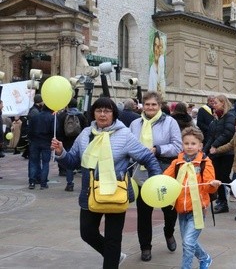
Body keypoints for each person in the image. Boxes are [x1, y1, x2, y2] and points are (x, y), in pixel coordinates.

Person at [50, 97, 162, 269]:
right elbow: (72, 162)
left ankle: (111, 260)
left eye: (107, 111)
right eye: (99, 110)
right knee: (87, 233)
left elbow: (147, 157)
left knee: (113, 239)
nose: (103, 114)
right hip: (90, 193)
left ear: (113, 114)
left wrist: (156, 179)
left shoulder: (124, 134)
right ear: (93, 113)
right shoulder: (85, 134)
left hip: (115, 193)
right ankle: (115, 256)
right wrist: (61, 152)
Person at [129, 91, 182, 262]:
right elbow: (128, 145)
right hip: (141, 174)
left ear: (160, 106)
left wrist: (157, 149)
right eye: (147, 104)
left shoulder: (170, 122)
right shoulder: (135, 124)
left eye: (154, 104)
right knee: (144, 214)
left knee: (169, 210)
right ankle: (145, 247)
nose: (150, 107)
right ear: (142, 106)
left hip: (164, 172)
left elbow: (177, 146)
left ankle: (169, 233)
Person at [163, 127, 220, 269]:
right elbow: (165, 179)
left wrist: (213, 185)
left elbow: (208, 186)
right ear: (182, 144)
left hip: (198, 209)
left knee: (188, 243)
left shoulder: (205, 162)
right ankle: (204, 257)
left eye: (193, 144)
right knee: (188, 241)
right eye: (186, 143)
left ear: (200, 146)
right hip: (181, 210)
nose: (189, 146)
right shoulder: (177, 162)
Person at [205, 95, 235, 214]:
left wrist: (214, 146)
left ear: (223, 103)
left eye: (216, 102)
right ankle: (222, 201)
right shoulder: (217, 117)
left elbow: (228, 133)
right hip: (216, 152)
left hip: (226, 152)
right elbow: (211, 136)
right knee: (217, 177)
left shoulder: (230, 115)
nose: (213, 104)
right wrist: (205, 151)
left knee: (223, 177)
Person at [56, 98, 89, 191]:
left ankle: (69, 183)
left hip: (65, 142)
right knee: (83, 161)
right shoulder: (81, 116)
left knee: (69, 162)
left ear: (67, 105)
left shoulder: (62, 116)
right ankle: (85, 184)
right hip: (78, 142)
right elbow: (86, 129)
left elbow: (58, 130)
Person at [27, 102, 54, 190]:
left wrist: (31, 139)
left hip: (35, 141)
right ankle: (43, 183)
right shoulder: (51, 117)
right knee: (45, 163)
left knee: (33, 162)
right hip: (46, 142)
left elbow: (30, 130)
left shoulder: (35, 117)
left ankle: (32, 182)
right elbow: (54, 131)